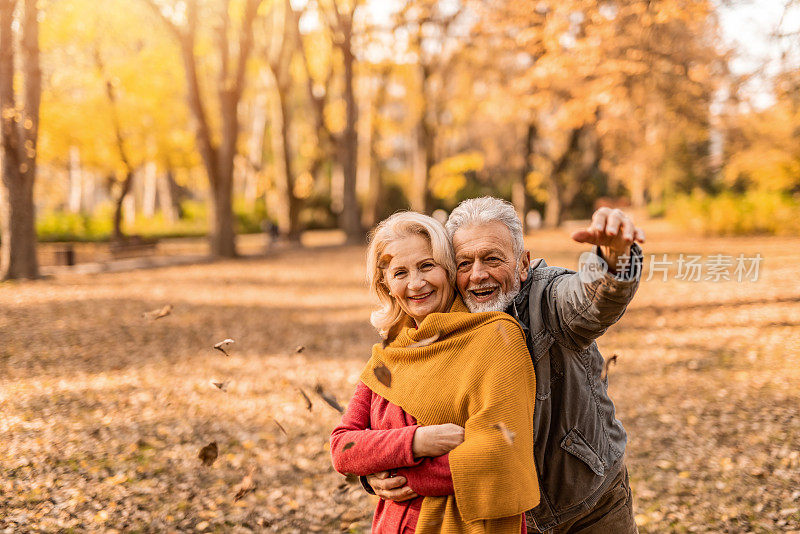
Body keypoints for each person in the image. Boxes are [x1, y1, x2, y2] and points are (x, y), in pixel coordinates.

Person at [365, 198, 644, 534]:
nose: (478, 274)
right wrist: (378, 469)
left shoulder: (549, 298)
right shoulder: (445, 317)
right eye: (464, 263)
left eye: (493, 259)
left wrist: (615, 259)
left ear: (523, 264)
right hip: (505, 516)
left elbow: (591, 301)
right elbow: (398, 414)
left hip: (586, 505)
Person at [330, 211, 539, 533]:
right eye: (400, 272)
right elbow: (343, 448)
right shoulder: (389, 355)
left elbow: (499, 450)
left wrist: (398, 474)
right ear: (386, 285)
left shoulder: (495, 336)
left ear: (448, 269)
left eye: (427, 266)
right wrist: (416, 442)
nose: (416, 283)